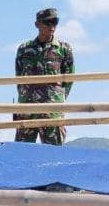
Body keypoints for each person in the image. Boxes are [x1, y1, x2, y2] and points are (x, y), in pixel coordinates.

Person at [14, 8, 74, 146]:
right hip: (27, 111)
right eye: (48, 23)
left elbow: (69, 79)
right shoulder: (24, 49)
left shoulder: (64, 49)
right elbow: (19, 78)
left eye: (55, 22)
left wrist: (56, 98)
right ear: (37, 24)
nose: (52, 26)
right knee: (22, 155)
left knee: (54, 156)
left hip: (52, 112)